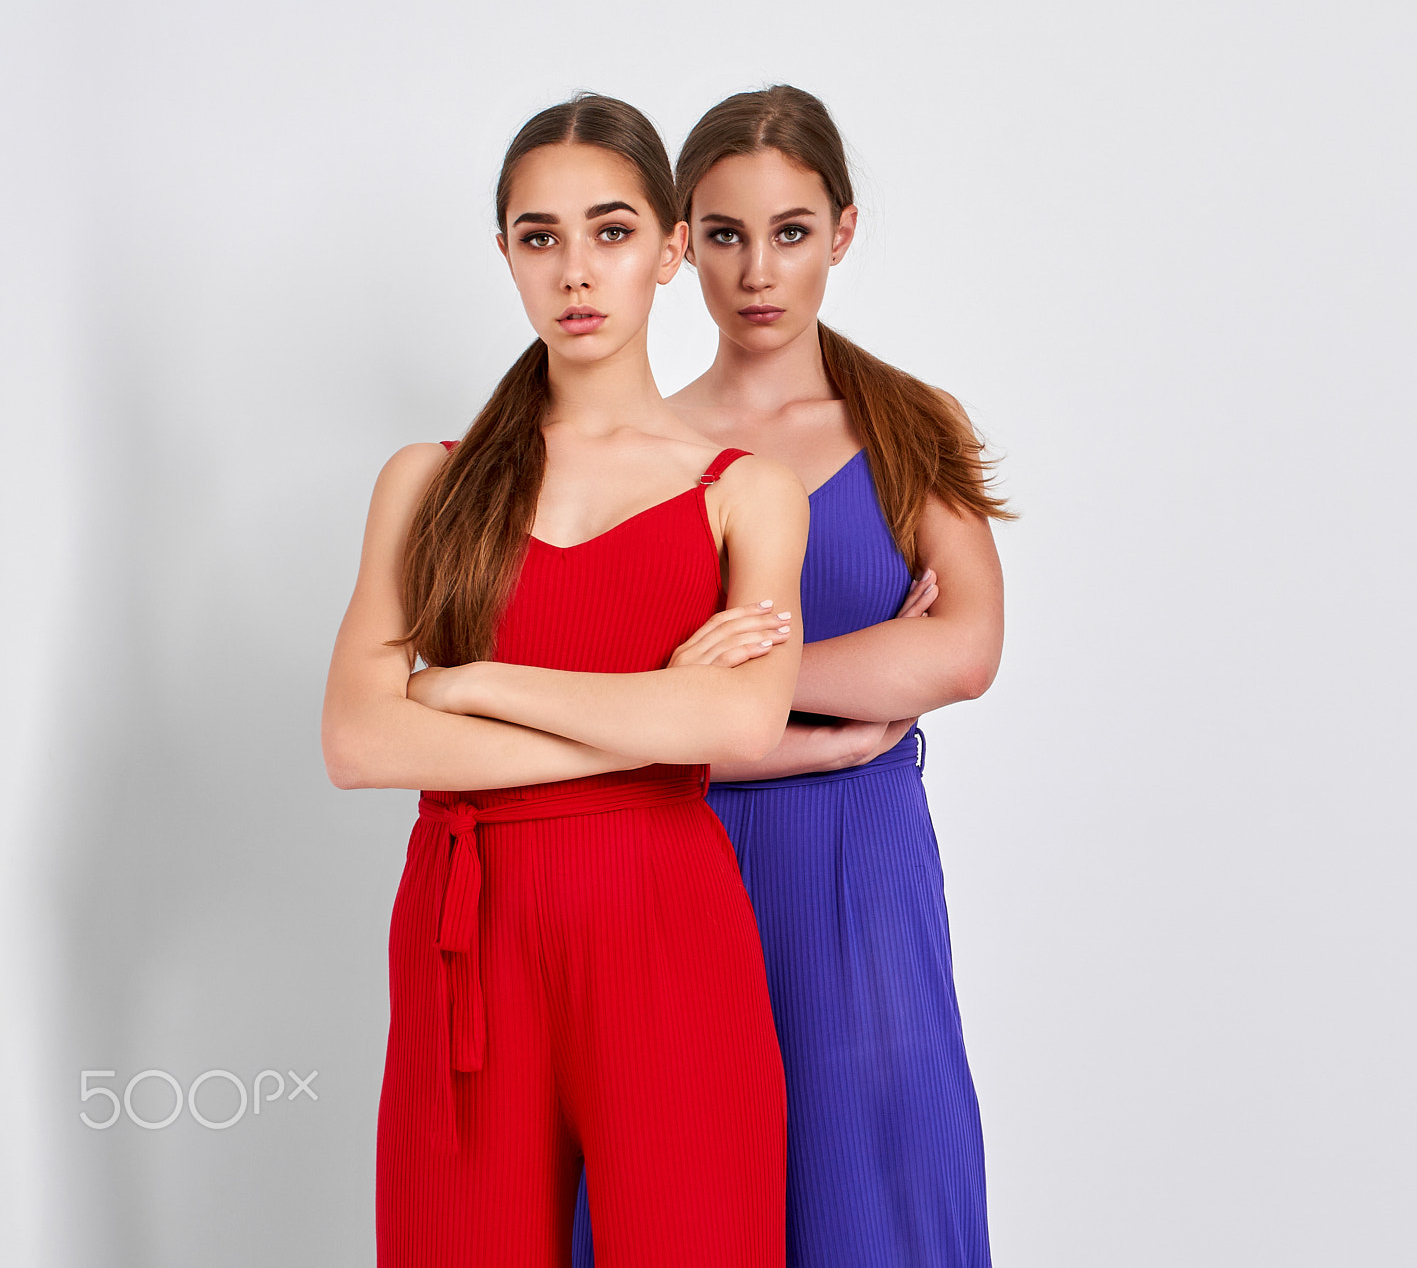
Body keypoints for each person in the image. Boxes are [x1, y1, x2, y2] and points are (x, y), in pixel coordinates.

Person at [320, 92, 807, 1268]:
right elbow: (360, 744)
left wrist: (474, 681)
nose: (576, 271)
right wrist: (652, 718)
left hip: (667, 932)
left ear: (670, 247)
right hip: (466, 940)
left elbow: (741, 722)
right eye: (539, 238)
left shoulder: (745, 490)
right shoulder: (425, 482)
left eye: (611, 230)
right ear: (505, 257)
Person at [573, 84, 1010, 1268]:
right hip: (673, 861)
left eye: (790, 231)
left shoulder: (909, 423)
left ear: (843, 231)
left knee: (875, 1176)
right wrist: (849, 688)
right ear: (678, 246)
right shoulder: (640, 450)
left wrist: (731, 678)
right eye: (721, 235)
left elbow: (962, 651)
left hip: (860, 869)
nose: (756, 270)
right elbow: (610, 722)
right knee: (679, 1199)